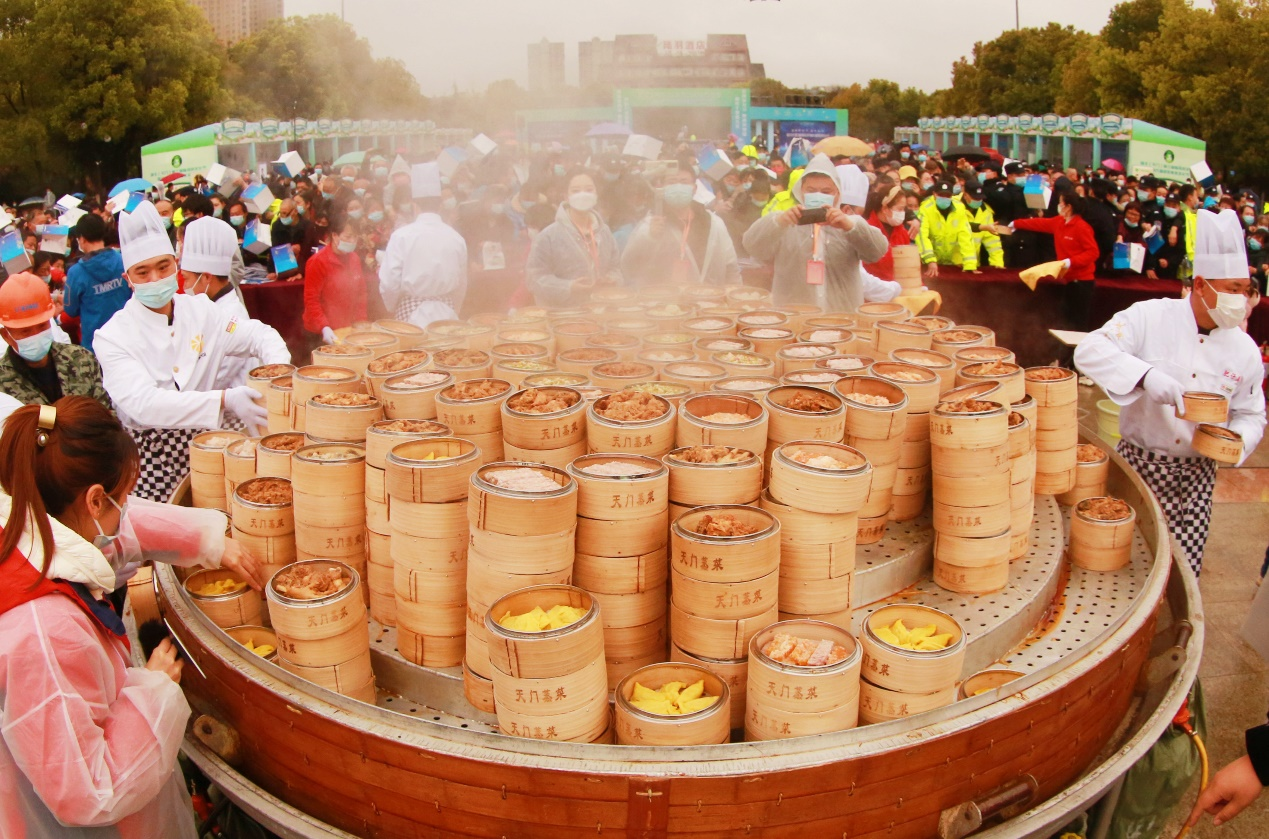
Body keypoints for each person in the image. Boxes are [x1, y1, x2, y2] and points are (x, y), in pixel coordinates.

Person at [0, 396, 264, 839]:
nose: (126, 511)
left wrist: (211, 542)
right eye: (122, 497)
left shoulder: (28, 519)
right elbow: (91, 792)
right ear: (95, 500)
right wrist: (154, 689)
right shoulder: (43, 633)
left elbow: (117, 529)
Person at [1074, 209, 1266, 575]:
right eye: (1233, 290)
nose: (1241, 300)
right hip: (1138, 466)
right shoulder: (1151, 316)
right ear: (1201, 284)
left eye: (1246, 290)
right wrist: (1145, 376)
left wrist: (1236, 439)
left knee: (1180, 573)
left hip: (1195, 479)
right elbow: (1089, 350)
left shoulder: (1244, 349)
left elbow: (1252, 412)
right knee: (1118, 566)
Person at [93, 202, 290, 501]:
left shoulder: (201, 311)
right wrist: (225, 399)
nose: (155, 279)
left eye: (163, 267)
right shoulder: (112, 336)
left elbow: (258, 334)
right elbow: (145, 405)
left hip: (212, 447)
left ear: (176, 264)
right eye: (142, 273)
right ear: (128, 280)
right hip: (154, 463)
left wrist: (279, 374)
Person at [742, 153, 889, 312]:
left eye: (826, 191)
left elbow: (877, 251)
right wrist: (779, 222)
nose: (818, 195)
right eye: (811, 190)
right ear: (801, 191)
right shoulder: (785, 222)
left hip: (840, 319)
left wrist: (849, 226)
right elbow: (752, 245)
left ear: (837, 193)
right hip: (795, 318)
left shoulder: (850, 223)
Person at [0, 273, 110, 410]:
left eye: (42, 326)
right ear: (6, 335)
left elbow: (107, 417)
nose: (36, 335)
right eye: (25, 331)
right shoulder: (2, 386)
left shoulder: (81, 359)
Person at [378, 162, 468, 329]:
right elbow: (461, 283)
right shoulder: (456, 238)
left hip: (411, 316)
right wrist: (453, 307)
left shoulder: (401, 236)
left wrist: (393, 306)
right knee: (450, 355)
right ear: (440, 204)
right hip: (448, 316)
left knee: (414, 355)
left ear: (414, 204)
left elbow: (389, 283)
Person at [622, 167, 739, 287]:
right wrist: (649, 238)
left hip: (708, 299)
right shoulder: (651, 224)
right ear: (662, 188)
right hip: (663, 301)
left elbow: (731, 265)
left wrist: (736, 294)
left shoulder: (714, 223)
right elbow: (629, 266)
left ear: (694, 188)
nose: (678, 187)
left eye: (684, 182)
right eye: (672, 182)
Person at [1005, 192, 1101, 331]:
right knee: (1067, 319)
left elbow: (1093, 252)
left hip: (1082, 282)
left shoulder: (1082, 227)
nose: (1058, 205)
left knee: (1078, 322)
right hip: (1069, 279)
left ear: (1068, 207)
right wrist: (1017, 223)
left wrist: (1070, 262)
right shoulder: (1059, 222)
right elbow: (1040, 223)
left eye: (1061, 202)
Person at [525, 173, 621, 307]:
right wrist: (568, 287)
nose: (583, 195)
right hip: (563, 316)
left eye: (589, 190)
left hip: (601, 311)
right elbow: (534, 279)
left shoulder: (604, 232)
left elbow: (615, 267)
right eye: (576, 191)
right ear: (566, 196)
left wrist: (612, 279)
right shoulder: (548, 236)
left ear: (596, 194)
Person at [62, 213, 130, 354]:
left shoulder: (76, 273)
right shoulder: (123, 260)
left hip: (96, 344)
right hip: (127, 335)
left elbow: (70, 310)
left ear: (81, 239)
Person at [304, 214, 369, 346]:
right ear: (334, 235)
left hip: (347, 327)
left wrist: (361, 320)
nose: (352, 241)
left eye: (355, 237)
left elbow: (361, 293)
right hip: (321, 332)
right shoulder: (318, 262)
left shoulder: (354, 259)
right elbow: (311, 299)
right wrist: (324, 326)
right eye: (348, 237)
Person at [917, 181, 978, 277]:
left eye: (947, 196)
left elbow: (966, 235)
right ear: (934, 194)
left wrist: (969, 264)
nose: (944, 198)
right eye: (941, 195)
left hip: (954, 263)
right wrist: (930, 260)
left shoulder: (959, 208)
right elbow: (922, 236)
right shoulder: (925, 209)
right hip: (933, 261)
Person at [863, 185, 912, 281]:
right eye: (900, 209)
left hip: (897, 288)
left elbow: (907, 266)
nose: (903, 213)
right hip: (873, 289)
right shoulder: (867, 231)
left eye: (904, 209)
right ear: (885, 209)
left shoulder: (902, 232)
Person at [962, 183, 1005, 270]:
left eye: (980, 198)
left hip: (973, 264)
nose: (978, 201)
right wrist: (982, 227)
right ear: (965, 194)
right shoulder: (954, 206)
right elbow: (961, 227)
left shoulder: (986, 211)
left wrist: (997, 263)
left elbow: (993, 241)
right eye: (975, 198)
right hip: (949, 262)